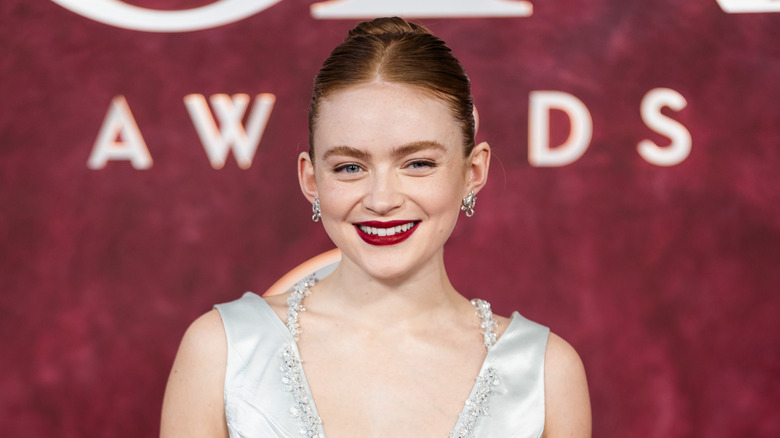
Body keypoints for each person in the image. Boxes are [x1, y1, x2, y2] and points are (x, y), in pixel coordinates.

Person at [161, 17, 590, 438]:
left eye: (418, 163)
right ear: (311, 180)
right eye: (350, 167)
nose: (381, 199)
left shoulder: (545, 372)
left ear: (472, 171)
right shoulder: (223, 352)